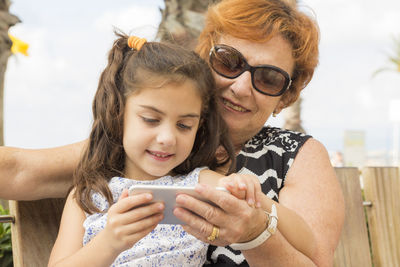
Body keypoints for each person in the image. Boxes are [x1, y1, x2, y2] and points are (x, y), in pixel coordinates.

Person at [0, 0, 344, 266]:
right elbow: (18, 169)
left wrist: (256, 225)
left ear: (286, 96)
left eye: (268, 78)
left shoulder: (282, 158)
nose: (241, 86)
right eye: (229, 61)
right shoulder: (113, 163)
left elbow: (313, 250)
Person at [47, 34, 317, 266]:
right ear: (118, 115)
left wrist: (255, 204)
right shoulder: (87, 197)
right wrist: (109, 242)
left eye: (184, 125)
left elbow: (307, 242)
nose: (167, 138)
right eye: (151, 120)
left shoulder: (199, 186)